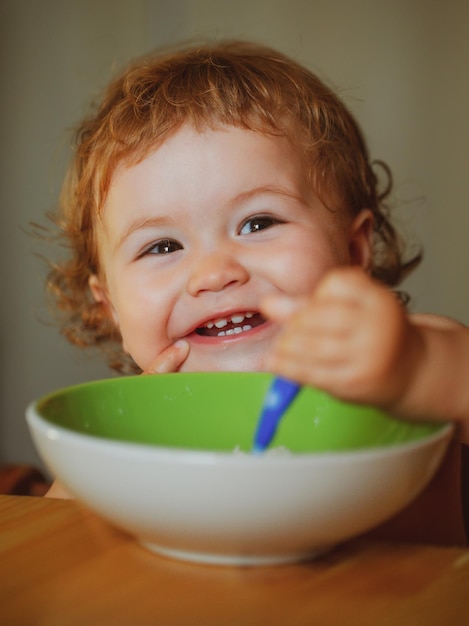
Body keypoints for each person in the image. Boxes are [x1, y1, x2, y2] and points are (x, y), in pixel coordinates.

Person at [44, 41, 469, 542]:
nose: (214, 273)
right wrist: (101, 455)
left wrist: (413, 366)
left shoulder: (413, 356)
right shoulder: (122, 433)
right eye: (161, 246)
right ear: (110, 307)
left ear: (355, 252)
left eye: (258, 222)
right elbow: (47, 543)